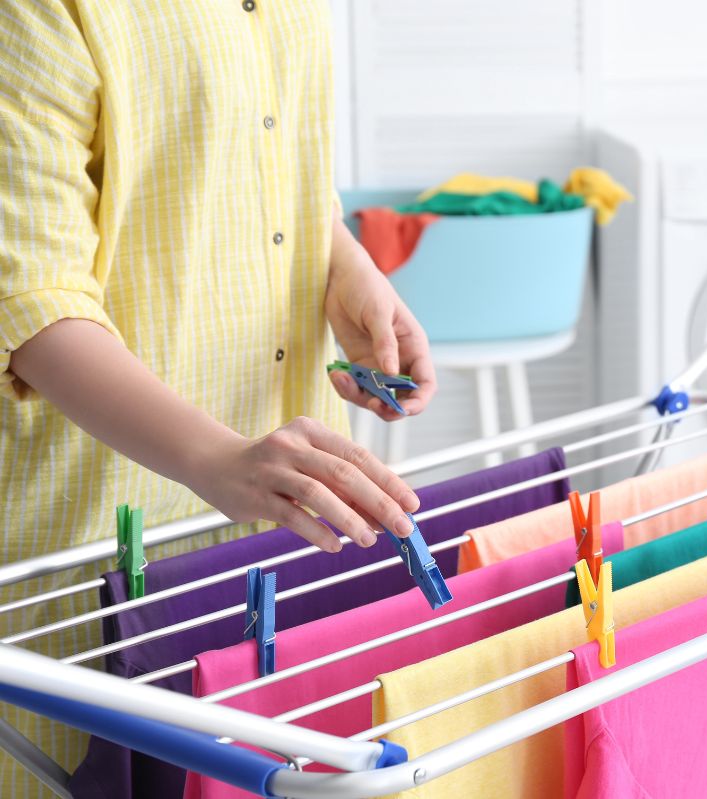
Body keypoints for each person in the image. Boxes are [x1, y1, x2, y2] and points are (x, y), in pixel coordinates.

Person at [0, 1, 435, 794]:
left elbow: (272, 160)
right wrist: (217, 457)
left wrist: (343, 265)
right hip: (102, 546)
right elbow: (32, 301)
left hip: (284, 537)